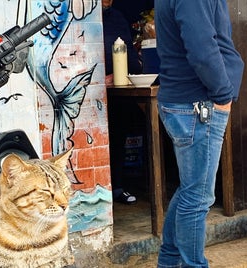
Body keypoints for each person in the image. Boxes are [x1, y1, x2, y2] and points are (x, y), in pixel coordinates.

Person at [154, 0, 244, 266]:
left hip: (188, 102)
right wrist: (223, 94)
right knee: (198, 196)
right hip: (198, 103)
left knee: (191, 190)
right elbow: (202, 48)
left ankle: (169, 262)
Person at [103, 0, 143, 204]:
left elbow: (128, 53)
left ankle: (117, 187)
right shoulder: (82, 20)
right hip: (91, 91)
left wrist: (129, 73)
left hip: (118, 89)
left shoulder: (117, 17)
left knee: (119, 134)